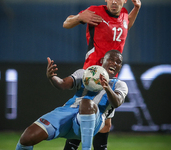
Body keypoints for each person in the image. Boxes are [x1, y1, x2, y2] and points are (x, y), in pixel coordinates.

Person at [63, 0, 141, 149]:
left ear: (124, 1)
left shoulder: (124, 13)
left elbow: (126, 26)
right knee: (85, 119)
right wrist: (79, 18)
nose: (114, 1)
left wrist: (137, 8)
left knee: (105, 123)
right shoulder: (95, 11)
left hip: (111, 79)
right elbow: (66, 23)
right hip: (92, 77)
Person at [15, 50, 128, 150]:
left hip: (93, 119)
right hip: (68, 112)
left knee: (87, 103)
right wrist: (52, 77)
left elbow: (116, 102)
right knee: (27, 138)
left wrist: (107, 88)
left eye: (118, 62)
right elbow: (63, 84)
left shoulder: (119, 85)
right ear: (103, 60)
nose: (114, 63)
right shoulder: (85, 73)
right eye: (111, 60)